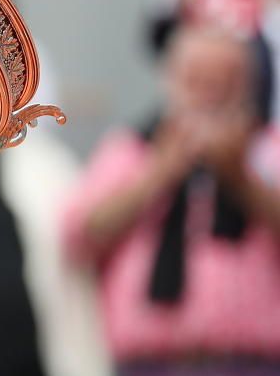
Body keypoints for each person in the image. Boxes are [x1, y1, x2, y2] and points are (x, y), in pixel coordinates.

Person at [62, 22, 280, 375]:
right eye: (197, 81)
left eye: (223, 84)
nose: (209, 95)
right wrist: (160, 174)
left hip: (255, 362)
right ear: (171, 80)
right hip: (149, 364)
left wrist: (241, 180)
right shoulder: (131, 149)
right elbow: (79, 236)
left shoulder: (269, 150)